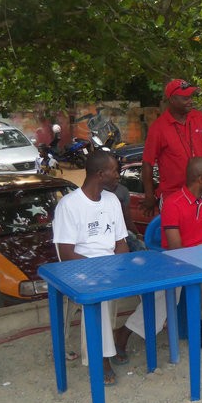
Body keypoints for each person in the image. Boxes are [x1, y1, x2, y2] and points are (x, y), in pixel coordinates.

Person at [114, 158, 202, 357]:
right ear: (201, 179)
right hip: (181, 257)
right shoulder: (173, 203)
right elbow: (177, 248)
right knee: (199, 276)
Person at [52, 151, 129, 386]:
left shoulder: (112, 200)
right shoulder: (69, 205)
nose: (118, 175)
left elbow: (121, 244)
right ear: (100, 174)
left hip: (112, 266)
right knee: (100, 296)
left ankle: (123, 335)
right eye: (114, 170)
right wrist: (101, 271)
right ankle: (101, 357)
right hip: (82, 268)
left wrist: (121, 270)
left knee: (160, 288)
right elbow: (66, 254)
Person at [141, 79, 202, 215]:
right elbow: (147, 163)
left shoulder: (199, 118)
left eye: (191, 97)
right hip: (173, 196)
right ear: (172, 100)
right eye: (185, 98)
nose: (190, 101)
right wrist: (149, 195)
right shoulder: (158, 128)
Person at [105, 163, 146, 252]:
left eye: (118, 172)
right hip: (104, 233)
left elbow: (127, 219)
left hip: (121, 232)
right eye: (114, 172)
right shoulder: (97, 192)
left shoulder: (123, 191)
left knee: (141, 248)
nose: (117, 176)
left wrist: (138, 234)